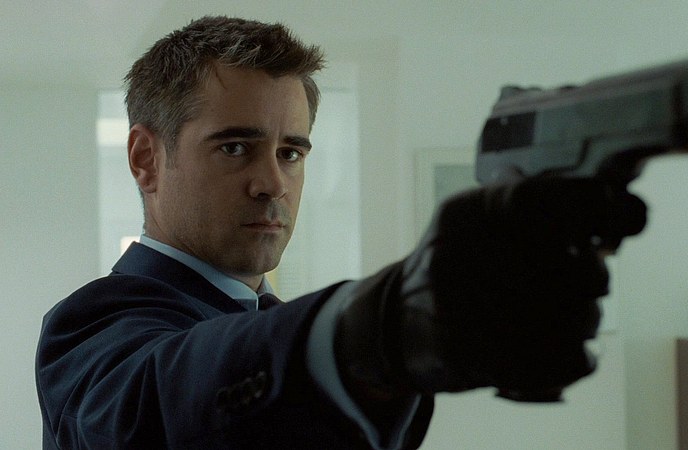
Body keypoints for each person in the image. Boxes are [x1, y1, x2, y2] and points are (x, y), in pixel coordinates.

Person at [35, 16, 646, 449]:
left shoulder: (276, 324)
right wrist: (381, 328)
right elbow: (153, 409)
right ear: (145, 158)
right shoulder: (90, 328)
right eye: (236, 147)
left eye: (291, 152)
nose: (272, 183)